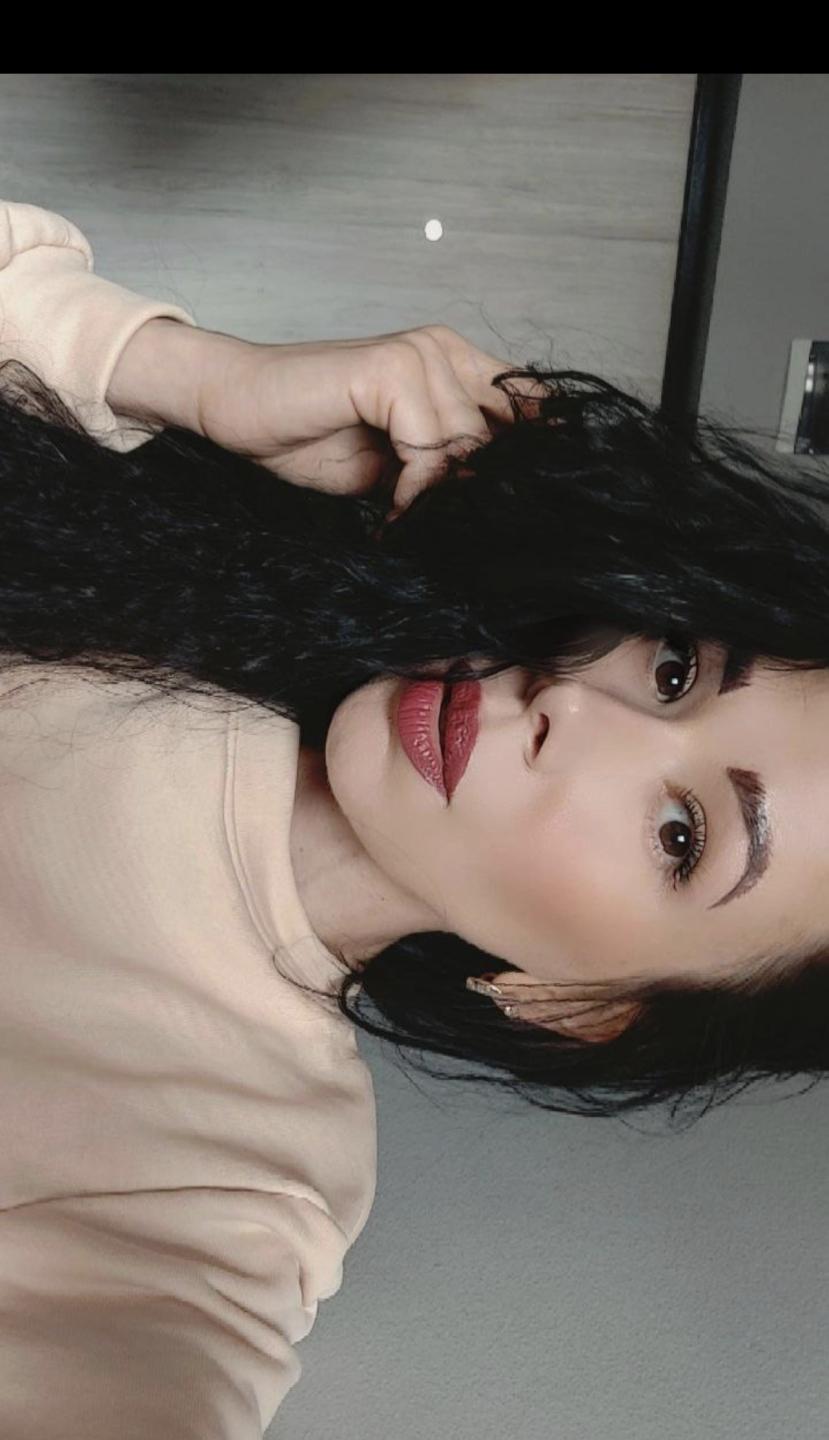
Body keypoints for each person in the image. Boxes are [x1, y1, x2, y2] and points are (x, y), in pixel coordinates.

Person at [0, 199, 826, 1438]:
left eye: (681, 838)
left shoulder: (224, 1181)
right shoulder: (201, 563)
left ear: (582, 1005)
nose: (573, 708)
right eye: (674, 671)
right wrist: (181, 373)